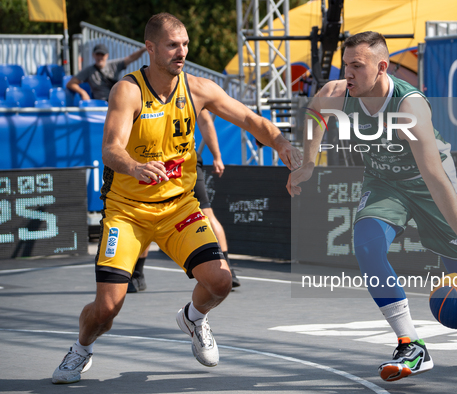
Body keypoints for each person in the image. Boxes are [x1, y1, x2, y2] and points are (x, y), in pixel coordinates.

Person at [52, 12, 300, 384]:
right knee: (107, 307)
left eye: (184, 44)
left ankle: (194, 318)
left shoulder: (198, 88)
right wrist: (134, 166)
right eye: (172, 45)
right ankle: (82, 348)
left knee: (219, 281)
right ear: (150, 48)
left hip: (178, 209)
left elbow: (250, 120)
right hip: (128, 212)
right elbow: (110, 149)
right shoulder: (128, 90)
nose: (181, 51)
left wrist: (282, 144)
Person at [288, 31, 457, 382]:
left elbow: (436, 179)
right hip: (384, 183)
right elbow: (315, 113)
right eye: (345, 65)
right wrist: (309, 162)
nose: (348, 73)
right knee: (367, 246)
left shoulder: (409, 106)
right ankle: (411, 344)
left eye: (357, 66)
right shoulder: (339, 94)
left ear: (382, 68)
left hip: (427, 184)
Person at [127, 110, 241, 293]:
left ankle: (137, 276)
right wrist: (217, 156)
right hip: (173, 161)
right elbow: (206, 122)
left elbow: (205, 122)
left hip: (168, 161)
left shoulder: (157, 91)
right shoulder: (190, 90)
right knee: (205, 211)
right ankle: (226, 268)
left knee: (151, 211)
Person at [66, 44, 147, 102]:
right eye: (98, 54)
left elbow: (131, 58)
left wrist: (144, 49)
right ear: (93, 55)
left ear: (107, 56)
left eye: (102, 54)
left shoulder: (114, 65)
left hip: (118, 100)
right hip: (101, 104)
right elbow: (71, 83)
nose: (100, 57)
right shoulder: (88, 70)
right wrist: (83, 92)